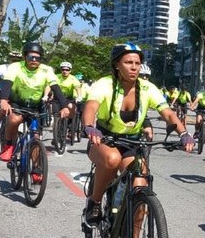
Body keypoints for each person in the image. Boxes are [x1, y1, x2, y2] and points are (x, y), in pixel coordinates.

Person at [81, 43, 194, 227]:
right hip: (103, 140)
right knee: (112, 159)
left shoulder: (147, 88)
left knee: (140, 189)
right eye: (128, 62)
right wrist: (89, 127)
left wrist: (183, 133)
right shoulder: (105, 84)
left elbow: (167, 113)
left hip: (131, 144)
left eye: (137, 62)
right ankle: (94, 202)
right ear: (117, 64)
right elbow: (91, 107)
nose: (134, 67)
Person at [0, 42, 70, 164]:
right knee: (14, 120)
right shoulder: (15, 67)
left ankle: (36, 169)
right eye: (31, 57)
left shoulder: (46, 70)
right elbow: (7, 83)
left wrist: (65, 107)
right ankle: (8, 145)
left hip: (36, 107)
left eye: (38, 58)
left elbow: (56, 88)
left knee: (36, 138)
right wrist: (4, 100)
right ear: (25, 57)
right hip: (17, 103)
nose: (34, 60)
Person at [0, 52, 22, 134]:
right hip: (2, 91)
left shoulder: (23, 69)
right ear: (9, 60)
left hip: (17, 93)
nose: (14, 62)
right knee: (4, 108)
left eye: (17, 60)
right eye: (13, 60)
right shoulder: (2, 68)